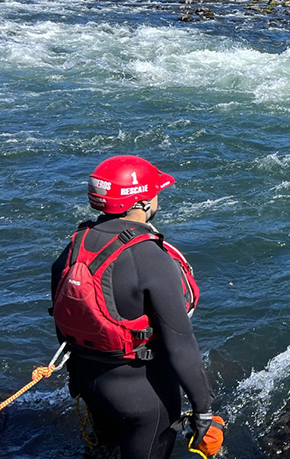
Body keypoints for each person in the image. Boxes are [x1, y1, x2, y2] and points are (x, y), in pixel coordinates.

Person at [50, 155, 222, 459]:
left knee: (103, 451)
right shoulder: (149, 257)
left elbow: (64, 320)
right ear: (141, 202)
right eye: (155, 193)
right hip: (143, 397)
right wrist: (203, 408)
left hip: (89, 383)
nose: (158, 198)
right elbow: (180, 345)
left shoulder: (76, 244)